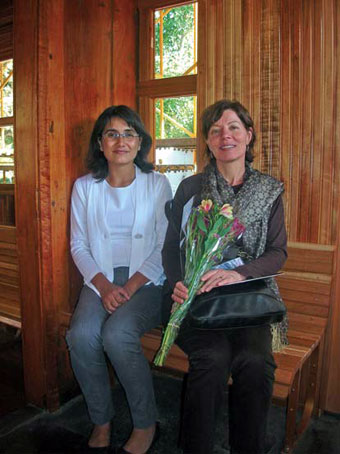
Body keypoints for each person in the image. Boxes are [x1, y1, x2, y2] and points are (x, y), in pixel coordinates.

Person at [162, 99, 288, 454]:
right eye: (215, 130)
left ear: (248, 135)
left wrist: (238, 275)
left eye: (233, 127)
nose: (225, 135)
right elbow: (172, 247)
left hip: (248, 299)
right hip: (197, 298)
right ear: (208, 140)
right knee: (212, 360)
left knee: (256, 362)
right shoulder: (191, 188)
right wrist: (178, 282)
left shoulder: (269, 191)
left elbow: (278, 253)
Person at [66, 105, 172, 454]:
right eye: (112, 133)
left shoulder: (158, 185)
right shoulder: (84, 187)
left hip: (147, 281)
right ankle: (101, 419)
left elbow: (163, 246)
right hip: (100, 280)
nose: (121, 141)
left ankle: (145, 422)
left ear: (140, 142)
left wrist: (129, 286)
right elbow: (78, 244)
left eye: (129, 133)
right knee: (80, 335)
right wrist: (106, 286)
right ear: (100, 143)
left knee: (117, 333)